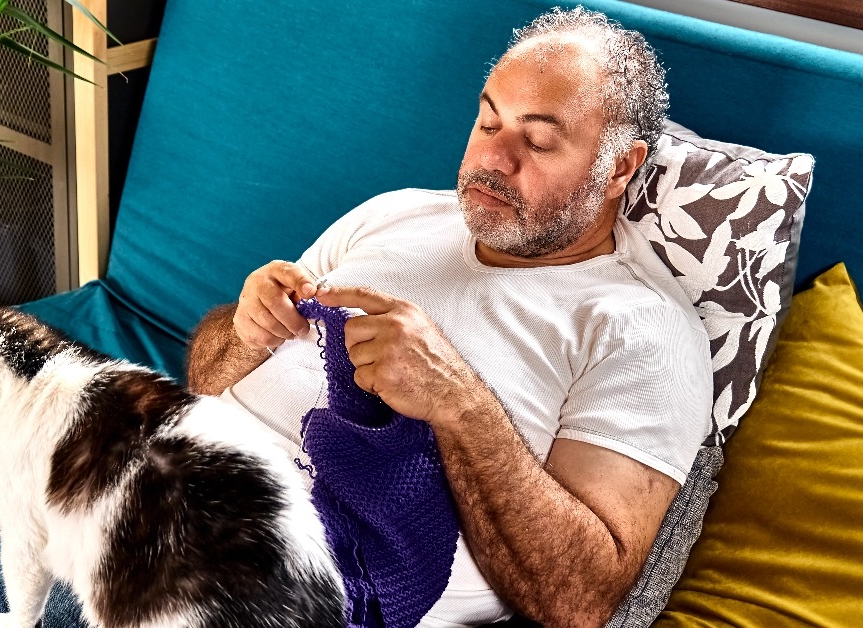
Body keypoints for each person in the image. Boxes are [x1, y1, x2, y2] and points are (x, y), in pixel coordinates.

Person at [185, 6, 712, 627]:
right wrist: (246, 330)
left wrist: (459, 403)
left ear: (620, 165)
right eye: (489, 122)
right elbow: (205, 382)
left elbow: (578, 599)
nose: (496, 158)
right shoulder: (394, 214)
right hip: (153, 501)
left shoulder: (641, 328)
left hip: (295, 593)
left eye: (538, 139)